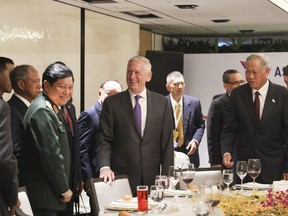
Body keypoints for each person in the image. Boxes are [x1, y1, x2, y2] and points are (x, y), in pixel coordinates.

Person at [95, 56, 174, 194]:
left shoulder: (162, 103)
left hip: (152, 177)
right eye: (129, 72)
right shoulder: (112, 103)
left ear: (148, 76)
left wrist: (167, 175)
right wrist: (104, 166)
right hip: (120, 177)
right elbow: (104, 139)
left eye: (137, 72)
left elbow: (167, 143)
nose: (132, 76)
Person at [19, 62, 76, 215]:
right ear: (46, 84)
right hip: (46, 196)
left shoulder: (53, 107)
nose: (67, 92)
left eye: (70, 87)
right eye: (62, 86)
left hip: (51, 196)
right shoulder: (42, 110)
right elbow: (50, 155)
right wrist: (63, 188)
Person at [221, 53, 288, 183]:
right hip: (243, 169)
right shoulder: (237, 94)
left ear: (267, 72)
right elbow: (229, 128)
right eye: (247, 72)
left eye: (254, 72)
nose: (250, 77)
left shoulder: (283, 95)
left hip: (274, 168)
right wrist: (226, 151)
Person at [78, 80, 122, 182]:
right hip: (98, 175)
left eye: (118, 95)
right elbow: (82, 151)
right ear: (100, 93)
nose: (114, 98)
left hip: (118, 175)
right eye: (110, 94)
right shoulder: (89, 115)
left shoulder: (120, 114)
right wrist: (89, 179)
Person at [165, 71, 205, 168]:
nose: (180, 87)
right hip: (169, 152)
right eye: (176, 84)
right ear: (168, 87)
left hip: (189, 151)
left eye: (182, 83)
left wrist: (195, 140)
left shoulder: (194, 102)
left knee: (190, 182)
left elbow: (201, 125)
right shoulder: (162, 103)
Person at [207, 69, 244, 168]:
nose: (240, 85)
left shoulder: (248, 102)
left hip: (244, 158)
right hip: (224, 160)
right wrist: (215, 161)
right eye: (236, 83)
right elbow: (212, 135)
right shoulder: (218, 104)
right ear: (225, 85)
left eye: (242, 82)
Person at [0, 57, 20, 215]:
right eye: (11, 73)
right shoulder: (3, 108)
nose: (14, 78)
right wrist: (13, 197)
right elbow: (5, 158)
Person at [8, 65, 41, 160]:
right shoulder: (10, 110)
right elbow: (14, 149)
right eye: (35, 81)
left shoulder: (35, 107)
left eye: (39, 81)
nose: (39, 86)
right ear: (21, 84)